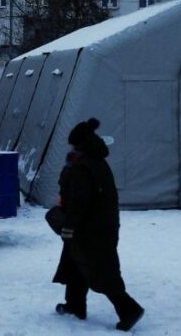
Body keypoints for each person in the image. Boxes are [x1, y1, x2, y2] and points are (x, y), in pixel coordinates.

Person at [52, 118, 144, 331]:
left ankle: (129, 310)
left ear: (79, 144)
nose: (71, 147)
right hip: (98, 226)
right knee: (76, 264)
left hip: (91, 229)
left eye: (73, 144)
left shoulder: (83, 166)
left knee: (102, 271)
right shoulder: (94, 161)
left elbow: (80, 201)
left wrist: (69, 225)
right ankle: (75, 306)